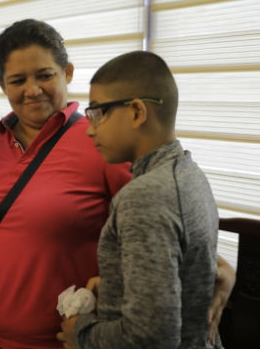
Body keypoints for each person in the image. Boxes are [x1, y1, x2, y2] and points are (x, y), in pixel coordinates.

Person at [0, 19, 131, 348]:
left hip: (67, 341)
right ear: (1, 84)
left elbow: (159, 214)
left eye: (45, 75)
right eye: (17, 80)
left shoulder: (102, 140)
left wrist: (215, 266)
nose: (32, 90)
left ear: (68, 72)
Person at [58, 51, 225, 348]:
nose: (90, 130)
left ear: (136, 112)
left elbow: (152, 337)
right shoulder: (188, 172)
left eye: (97, 113)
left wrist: (80, 333)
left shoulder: (145, 196)